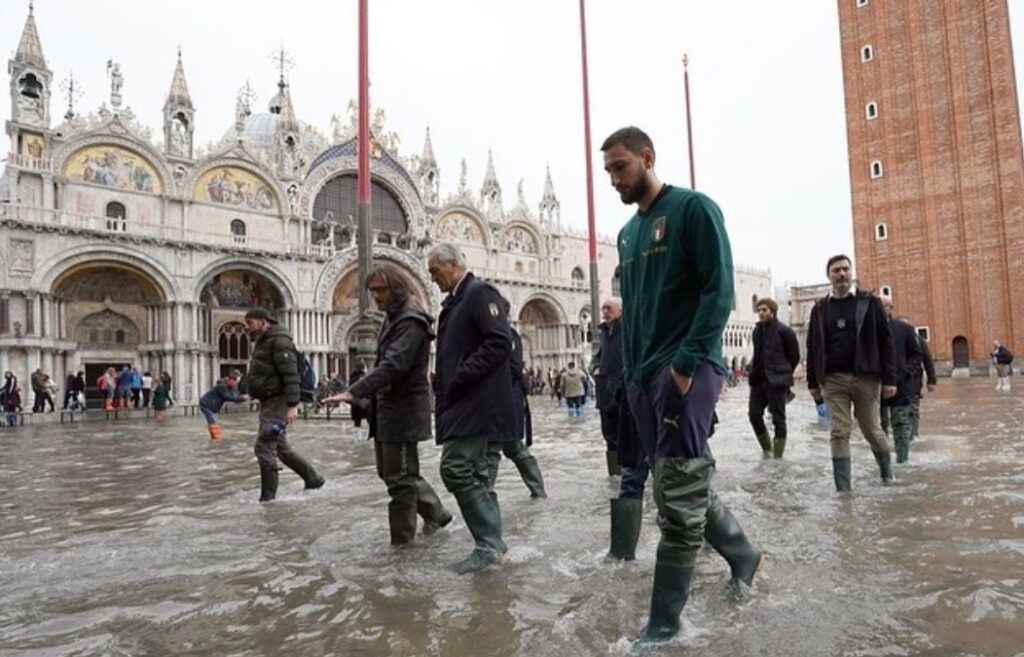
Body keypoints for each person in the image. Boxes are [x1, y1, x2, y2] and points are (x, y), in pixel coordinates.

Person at [603, 126, 761, 642]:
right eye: (607, 171)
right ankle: (743, 554)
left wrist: (687, 364)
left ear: (647, 158)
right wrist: (629, 378)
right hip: (642, 379)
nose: (614, 179)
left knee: (677, 500)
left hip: (686, 371)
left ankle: (663, 628)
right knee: (677, 483)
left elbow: (720, 292)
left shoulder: (695, 210)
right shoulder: (627, 235)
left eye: (621, 167)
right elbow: (632, 316)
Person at [323, 263, 453, 544]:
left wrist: (353, 391)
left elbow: (393, 365)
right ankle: (437, 513)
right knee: (391, 473)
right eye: (372, 291)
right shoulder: (393, 316)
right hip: (387, 409)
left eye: (381, 290)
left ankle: (402, 546)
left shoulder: (410, 321)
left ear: (397, 287)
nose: (376, 297)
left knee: (401, 481)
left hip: (403, 411)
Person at [427, 242, 514, 574]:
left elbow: (500, 341)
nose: (433, 279)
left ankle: (489, 545)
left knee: (456, 468)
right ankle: (492, 545)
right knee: (476, 473)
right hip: (464, 399)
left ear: (452, 264)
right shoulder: (454, 302)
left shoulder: (479, 293)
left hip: (477, 400)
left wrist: (461, 376)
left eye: (435, 271)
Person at [806, 255, 897, 491]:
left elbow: (886, 341)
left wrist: (890, 379)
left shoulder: (870, 302)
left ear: (851, 272)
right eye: (836, 270)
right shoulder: (819, 309)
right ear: (829, 276)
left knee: (871, 430)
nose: (842, 274)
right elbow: (812, 345)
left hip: (866, 377)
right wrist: (813, 382)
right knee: (838, 431)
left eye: (845, 269)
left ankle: (887, 475)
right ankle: (843, 492)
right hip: (833, 379)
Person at [244, 307, 325, 502]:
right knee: (280, 447)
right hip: (270, 399)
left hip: (278, 400)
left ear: (263, 321)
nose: (248, 328)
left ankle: (268, 499)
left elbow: (290, 374)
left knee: (264, 445)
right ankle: (313, 478)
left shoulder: (279, 340)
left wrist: (292, 405)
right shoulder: (266, 341)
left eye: (251, 324)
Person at [485, 298, 547, 499]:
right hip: (501, 402)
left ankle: (487, 498)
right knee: (511, 448)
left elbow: (513, 370)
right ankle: (538, 492)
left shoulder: (507, 336)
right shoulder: (502, 335)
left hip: (505, 401)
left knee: (495, 450)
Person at [747, 297, 801, 459]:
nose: (761, 313)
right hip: (758, 380)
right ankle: (767, 449)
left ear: (772, 311)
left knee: (778, 418)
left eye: (765, 310)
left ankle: (778, 457)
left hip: (777, 381)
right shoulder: (756, 331)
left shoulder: (785, 331)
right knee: (754, 415)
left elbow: (794, 356)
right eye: (759, 310)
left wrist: (783, 373)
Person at [878, 296, 922, 464]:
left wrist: (906, 371)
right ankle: (883, 462)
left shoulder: (904, 329)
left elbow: (916, 354)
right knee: (878, 426)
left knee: (901, 422)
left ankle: (902, 460)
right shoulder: (870, 330)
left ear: (891, 307)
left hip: (901, 384)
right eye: (879, 306)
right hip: (877, 385)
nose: (881, 309)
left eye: (884, 306)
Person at [594, 297, 625, 476]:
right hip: (604, 392)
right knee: (609, 435)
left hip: (623, 390)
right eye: (603, 308)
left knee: (627, 434)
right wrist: (595, 367)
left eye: (608, 308)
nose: (604, 312)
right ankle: (615, 476)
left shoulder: (627, 329)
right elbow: (598, 355)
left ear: (620, 311)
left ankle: (631, 474)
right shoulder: (604, 332)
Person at [199, 371, 247, 441]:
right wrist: (243, 398)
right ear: (231, 380)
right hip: (206, 405)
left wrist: (244, 398)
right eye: (236, 382)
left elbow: (235, 396)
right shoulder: (222, 386)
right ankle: (217, 440)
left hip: (212, 406)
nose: (236, 384)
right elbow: (229, 397)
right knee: (213, 423)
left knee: (213, 422)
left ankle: (214, 439)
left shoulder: (232, 386)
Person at [909, 333, 936, 441]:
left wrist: (932, 380)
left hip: (914, 380)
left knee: (913, 407)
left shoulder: (919, 340)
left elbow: (928, 360)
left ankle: (913, 434)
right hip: (898, 381)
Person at [349, 362, 368, 440]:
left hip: (355, 403)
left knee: (357, 422)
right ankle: (367, 438)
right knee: (370, 420)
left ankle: (357, 438)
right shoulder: (364, 377)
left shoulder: (352, 378)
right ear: (363, 368)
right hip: (364, 402)